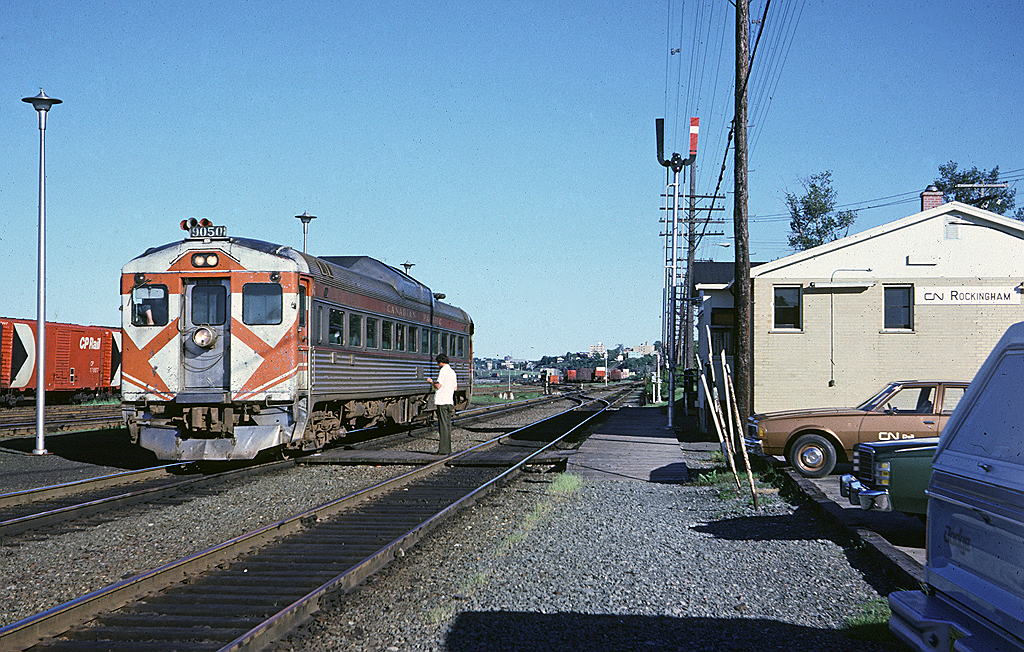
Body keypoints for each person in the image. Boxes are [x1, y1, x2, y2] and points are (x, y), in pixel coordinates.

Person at [426, 353, 457, 455]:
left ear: (440, 362)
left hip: (442, 402)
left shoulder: (443, 371)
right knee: (447, 426)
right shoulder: (453, 372)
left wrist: (431, 382)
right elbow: (455, 388)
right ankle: (448, 449)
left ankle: (443, 450)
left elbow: (438, 386)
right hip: (449, 402)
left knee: (442, 426)